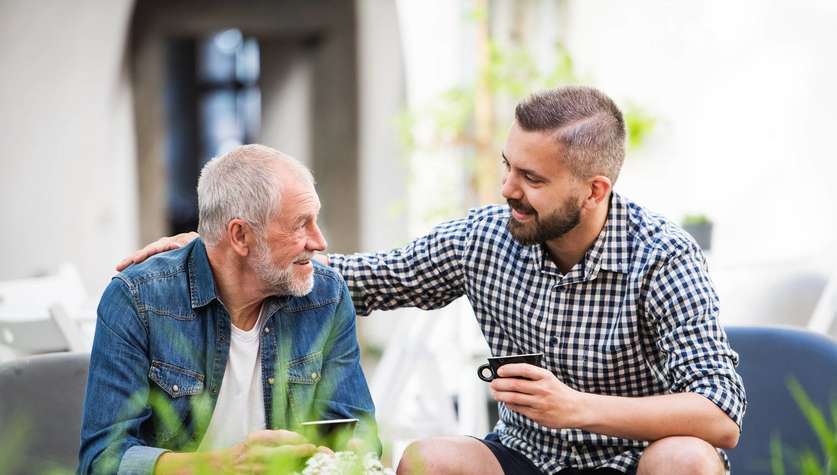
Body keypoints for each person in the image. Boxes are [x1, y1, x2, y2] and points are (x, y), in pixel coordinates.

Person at [118, 87, 745, 475]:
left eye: (532, 178)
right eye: (507, 166)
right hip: (524, 456)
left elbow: (720, 413)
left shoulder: (663, 256)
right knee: (428, 460)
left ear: (594, 190)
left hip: (633, 460)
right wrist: (229, 253)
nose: (507, 190)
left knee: (687, 458)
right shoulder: (485, 237)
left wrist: (576, 408)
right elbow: (366, 279)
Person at [81, 145, 378, 475]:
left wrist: (344, 456)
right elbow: (102, 462)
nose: (319, 241)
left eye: (315, 221)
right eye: (300, 224)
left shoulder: (326, 296)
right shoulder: (138, 299)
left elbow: (358, 430)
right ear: (240, 235)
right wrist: (224, 466)